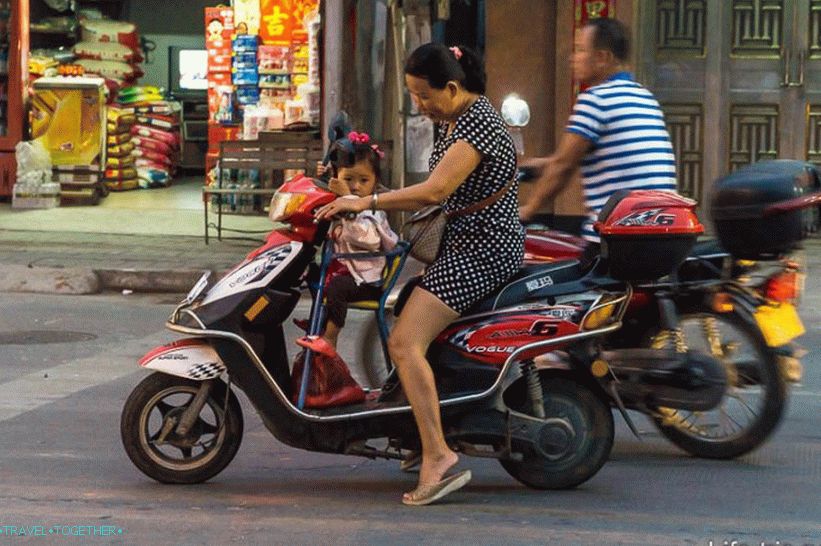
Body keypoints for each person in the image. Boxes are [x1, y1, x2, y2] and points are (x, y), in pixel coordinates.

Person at [317, 43, 524, 506]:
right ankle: (419, 429)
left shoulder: (477, 124)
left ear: (451, 87)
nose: (418, 104)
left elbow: (435, 191)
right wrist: (349, 188)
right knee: (406, 310)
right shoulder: (454, 118)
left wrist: (366, 201)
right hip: (463, 246)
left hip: (483, 252)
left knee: (404, 342)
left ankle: (437, 455)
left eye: (423, 96)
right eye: (413, 95)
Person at [519, 18, 677, 251]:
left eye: (580, 50)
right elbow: (565, 159)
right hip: (664, 233)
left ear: (602, 58)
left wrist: (526, 211)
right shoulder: (645, 97)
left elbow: (563, 167)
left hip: (619, 239)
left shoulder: (596, 99)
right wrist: (525, 169)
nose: (573, 58)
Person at [298, 132, 398, 354]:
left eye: (364, 180)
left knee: (337, 288)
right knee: (308, 273)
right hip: (343, 269)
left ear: (375, 182)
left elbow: (368, 240)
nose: (355, 187)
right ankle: (319, 323)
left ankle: (330, 337)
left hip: (366, 280)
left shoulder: (373, 210)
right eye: (348, 179)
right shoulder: (340, 203)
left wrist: (350, 203)